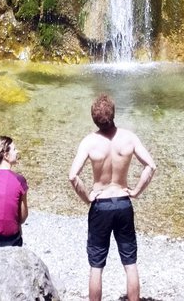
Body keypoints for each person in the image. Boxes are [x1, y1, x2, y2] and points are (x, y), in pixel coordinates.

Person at [68, 93, 156, 301]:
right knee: (130, 263)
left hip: (101, 206)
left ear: (94, 118)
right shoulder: (129, 137)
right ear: (114, 114)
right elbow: (151, 166)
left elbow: (73, 176)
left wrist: (87, 198)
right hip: (123, 203)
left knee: (96, 265)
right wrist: (136, 192)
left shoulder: (89, 142)